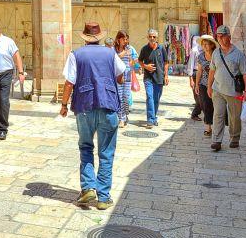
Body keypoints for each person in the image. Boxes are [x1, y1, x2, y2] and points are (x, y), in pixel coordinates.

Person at [60, 22, 126, 210]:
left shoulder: (76, 54)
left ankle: (88, 187)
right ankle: (103, 197)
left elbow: (68, 83)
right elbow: (121, 76)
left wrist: (64, 105)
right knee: (106, 152)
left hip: (84, 106)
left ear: (85, 38)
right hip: (107, 105)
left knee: (86, 146)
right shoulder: (110, 53)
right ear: (98, 37)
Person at [207, 24, 246, 151]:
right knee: (218, 115)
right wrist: (209, 87)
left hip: (234, 92)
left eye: (222, 36)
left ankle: (234, 138)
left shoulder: (238, 54)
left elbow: (245, 74)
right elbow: (211, 71)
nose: (220, 39)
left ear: (229, 37)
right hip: (218, 90)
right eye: (218, 37)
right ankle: (216, 140)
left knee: (234, 117)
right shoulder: (216, 53)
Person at [138, 28, 168, 128]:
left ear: (156, 37)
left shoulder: (161, 48)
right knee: (150, 97)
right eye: (150, 36)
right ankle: (150, 120)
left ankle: (154, 117)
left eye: (154, 37)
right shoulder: (144, 49)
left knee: (156, 99)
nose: (152, 38)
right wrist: (146, 67)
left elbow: (166, 62)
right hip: (148, 78)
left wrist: (166, 76)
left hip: (159, 77)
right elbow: (140, 61)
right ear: (147, 37)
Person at [113, 31, 138, 127]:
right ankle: (121, 118)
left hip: (127, 74)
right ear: (118, 39)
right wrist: (122, 54)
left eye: (126, 39)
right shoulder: (113, 49)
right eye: (123, 39)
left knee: (126, 96)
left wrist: (133, 62)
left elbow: (133, 61)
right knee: (119, 96)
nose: (125, 41)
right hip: (118, 75)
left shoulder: (130, 49)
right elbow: (112, 59)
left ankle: (124, 114)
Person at [195, 34, 217, 137]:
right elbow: (199, 71)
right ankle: (208, 127)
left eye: (207, 44)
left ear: (212, 45)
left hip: (216, 85)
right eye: (203, 44)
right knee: (206, 105)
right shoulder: (200, 56)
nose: (205, 46)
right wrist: (196, 84)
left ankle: (216, 126)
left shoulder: (217, 55)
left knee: (216, 106)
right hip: (204, 84)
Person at [186, 35, 203, 121]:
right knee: (198, 97)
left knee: (203, 96)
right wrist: (191, 79)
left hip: (204, 74)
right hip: (196, 74)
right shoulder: (194, 51)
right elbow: (190, 65)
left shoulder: (206, 51)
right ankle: (195, 114)